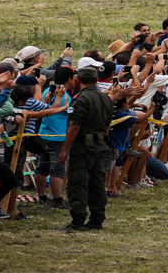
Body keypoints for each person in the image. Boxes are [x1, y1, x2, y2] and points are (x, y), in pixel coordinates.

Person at [59, 65, 113, 231]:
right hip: (99, 145)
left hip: (82, 146)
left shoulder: (80, 99)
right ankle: (97, 219)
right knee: (97, 183)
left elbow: (74, 127)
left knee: (78, 183)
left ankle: (78, 220)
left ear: (78, 80)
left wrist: (64, 149)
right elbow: (107, 125)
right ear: (95, 80)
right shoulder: (105, 98)